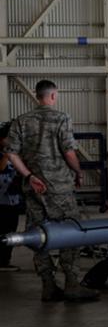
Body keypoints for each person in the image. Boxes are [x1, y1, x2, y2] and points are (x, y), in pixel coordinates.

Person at [5, 80, 98, 302]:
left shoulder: (21, 121)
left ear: (38, 96)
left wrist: (29, 175)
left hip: (34, 189)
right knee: (71, 232)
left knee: (39, 237)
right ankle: (72, 283)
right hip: (60, 189)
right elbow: (69, 152)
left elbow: (11, 154)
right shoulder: (61, 118)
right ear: (54, 95)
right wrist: (78, 171)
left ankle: (48, 285)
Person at [0, 122, 22, 273]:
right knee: (2, 229)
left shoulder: (14, 152)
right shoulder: (4, 153)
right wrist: (8, 154)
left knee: (11, 230)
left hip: (12, 198)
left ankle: (5, 260)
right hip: (1, 199)